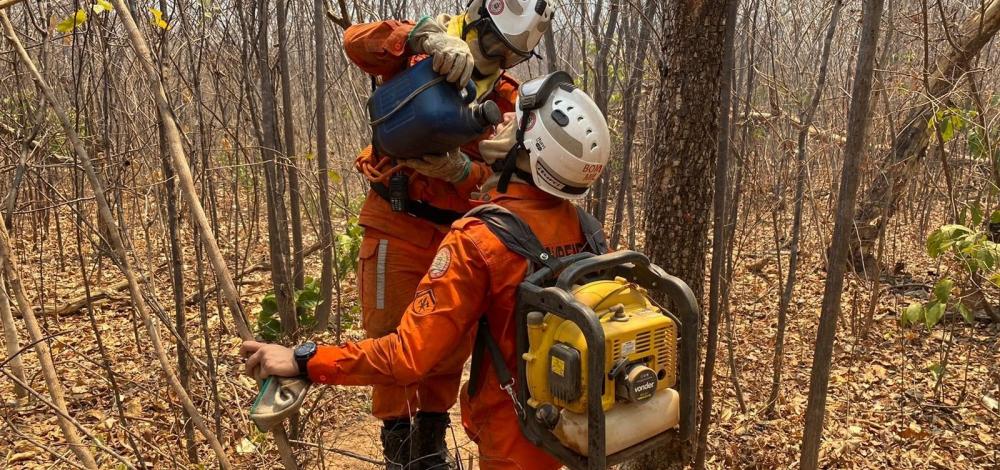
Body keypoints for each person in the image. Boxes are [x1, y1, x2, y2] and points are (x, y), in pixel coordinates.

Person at [241, 73, 611, 470]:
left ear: (531, 148)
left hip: (515, 436)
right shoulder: (586, 229)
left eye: (514, 120)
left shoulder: (480, 239)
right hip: (577, 425)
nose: (501, 120)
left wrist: (304, 360)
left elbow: (405, 358)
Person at [340, 1, 552, 467]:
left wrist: (461, 172)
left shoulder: (507, 99)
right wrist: (423, 36)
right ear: (477, 22)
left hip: (455, 233)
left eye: (510, 54)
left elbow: (507, 171)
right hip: (395, 221)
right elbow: (356, 41)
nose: (498, 58)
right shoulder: (417, 52)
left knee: (447, 337)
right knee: (390, 335)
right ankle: (398, 444)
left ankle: (430, 442)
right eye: (494, 44)